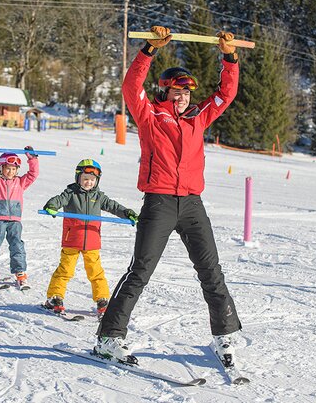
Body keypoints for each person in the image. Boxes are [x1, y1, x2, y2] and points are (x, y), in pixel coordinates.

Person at [95, 26, 243, 366]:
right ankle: (108, 338)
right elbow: (131, 87)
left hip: (192, 204)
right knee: (140, 271)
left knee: (211, 271)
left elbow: (226, 93)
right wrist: (149, 49)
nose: (183, 97)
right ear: (165, 92)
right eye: (177, 91)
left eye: (187, 92)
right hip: (159, 202)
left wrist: (229, 56)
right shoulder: (150, 116)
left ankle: (225, 337)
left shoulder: (198, 118)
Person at [42, 159, 138, 318]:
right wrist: (51, 206)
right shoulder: (71, 193)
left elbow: (113, 206)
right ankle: (55, 297)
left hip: (92, 241)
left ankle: (102, 300)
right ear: (78, 178)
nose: (88, 182)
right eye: (85, 179)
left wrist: (127, 212)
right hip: (72, 239)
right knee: (65, 270)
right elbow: (58, 200)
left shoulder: (99, 196)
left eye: (92, 180)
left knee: (96, 272)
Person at [0, 143, 39, 288]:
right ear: (1, 168)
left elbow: (33, 174)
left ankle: (20, 271)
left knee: (17, 245)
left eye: (14, 169)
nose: (11, 172)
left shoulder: (21, 182)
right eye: (8, 168)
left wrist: (32, 158)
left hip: (15, 220)